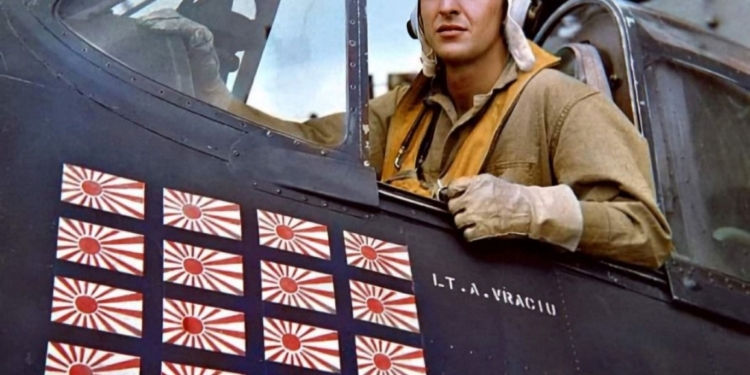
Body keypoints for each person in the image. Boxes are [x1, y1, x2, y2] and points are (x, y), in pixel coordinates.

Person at [138, 0, 672, 269]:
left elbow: (646, 231)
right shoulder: (402, 111)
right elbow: (300, 143)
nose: (449, 6)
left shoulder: (556, 99)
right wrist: (212, 93)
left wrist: (531, 209)